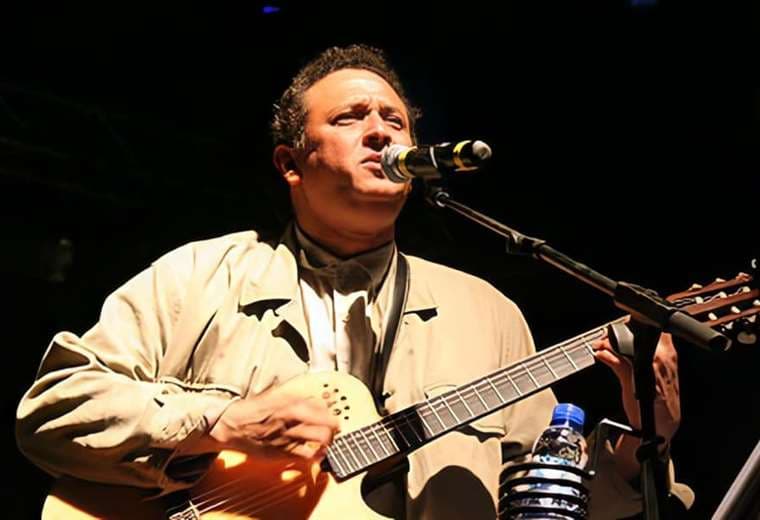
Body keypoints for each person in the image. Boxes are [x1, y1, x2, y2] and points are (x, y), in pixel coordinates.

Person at [16, 44, 691, 519]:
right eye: (350, 118)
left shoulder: (487, 312)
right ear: (291, 163)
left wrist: (643, 446)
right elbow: (54, 409)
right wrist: (222, 423)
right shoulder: (199, 275)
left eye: (394, 121)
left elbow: (546, 500)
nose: (379, 133)